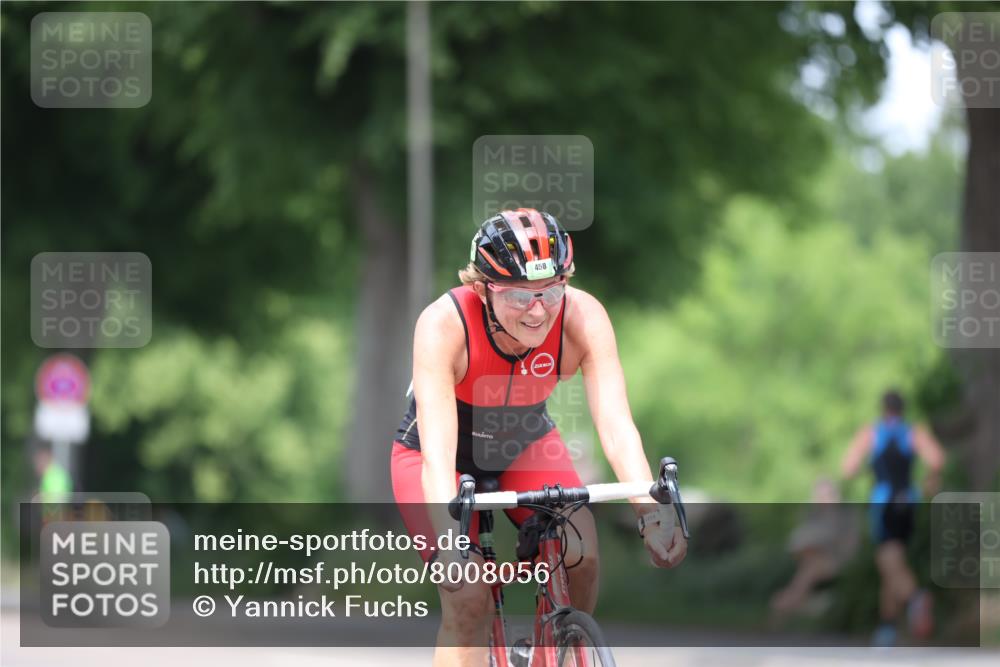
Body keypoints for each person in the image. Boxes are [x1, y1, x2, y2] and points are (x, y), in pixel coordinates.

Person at [391, 208, 687, 667]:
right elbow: (437, 454)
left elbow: (615, 423)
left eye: (550, 292)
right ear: (481, 288)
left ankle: (562, 648)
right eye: (518, 297)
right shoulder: (442, 325)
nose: (537, 310)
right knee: (468, 597)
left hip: (521, 441)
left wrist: (649, 514)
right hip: (437, 454)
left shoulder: (583, 317)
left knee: (582, 553)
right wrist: (451, 543)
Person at [841, 389, 946, 646]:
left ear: (883, 408)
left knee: (888, 561)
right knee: (892, 565)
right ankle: (888, 628)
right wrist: (930, 481)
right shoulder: (913, 432)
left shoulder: (872, 432)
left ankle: (915, 598)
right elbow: (937, 459)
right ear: (903, 409)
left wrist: (868, 468)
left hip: (884, 502)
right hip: (909, 501)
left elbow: (848, 468)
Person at [769, 478, 860, 619]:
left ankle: (786, 604)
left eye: (827, 495)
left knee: (807, 572)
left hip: (836, 560)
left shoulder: (845, 514)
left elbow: (849, 544)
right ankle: (799, 603)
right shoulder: (812, 513)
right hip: (813, 560)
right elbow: (799, 540)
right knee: (809, 567)